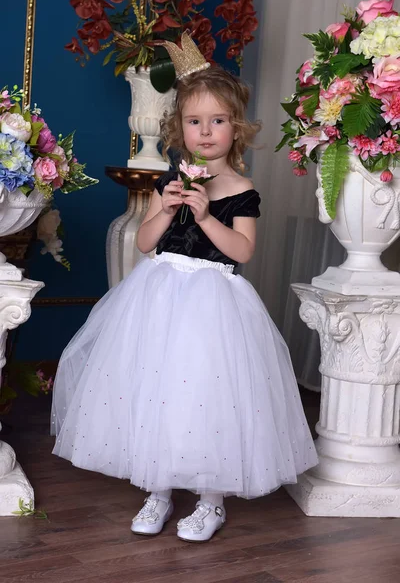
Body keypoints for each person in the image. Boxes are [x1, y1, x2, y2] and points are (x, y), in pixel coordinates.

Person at [51, 33, 318, 543]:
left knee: (205, 393)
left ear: (235, 128)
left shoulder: (241, 190)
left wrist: (205, 215)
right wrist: (171, 206)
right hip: (158, 296)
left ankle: (210, 500)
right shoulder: (170, 182)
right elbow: (149, 242)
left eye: (217, 121)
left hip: (214, 303)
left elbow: (241, 252)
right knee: (156, 389)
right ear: (180, 129)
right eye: (195, 122)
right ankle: (158, 488)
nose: (206, 131)